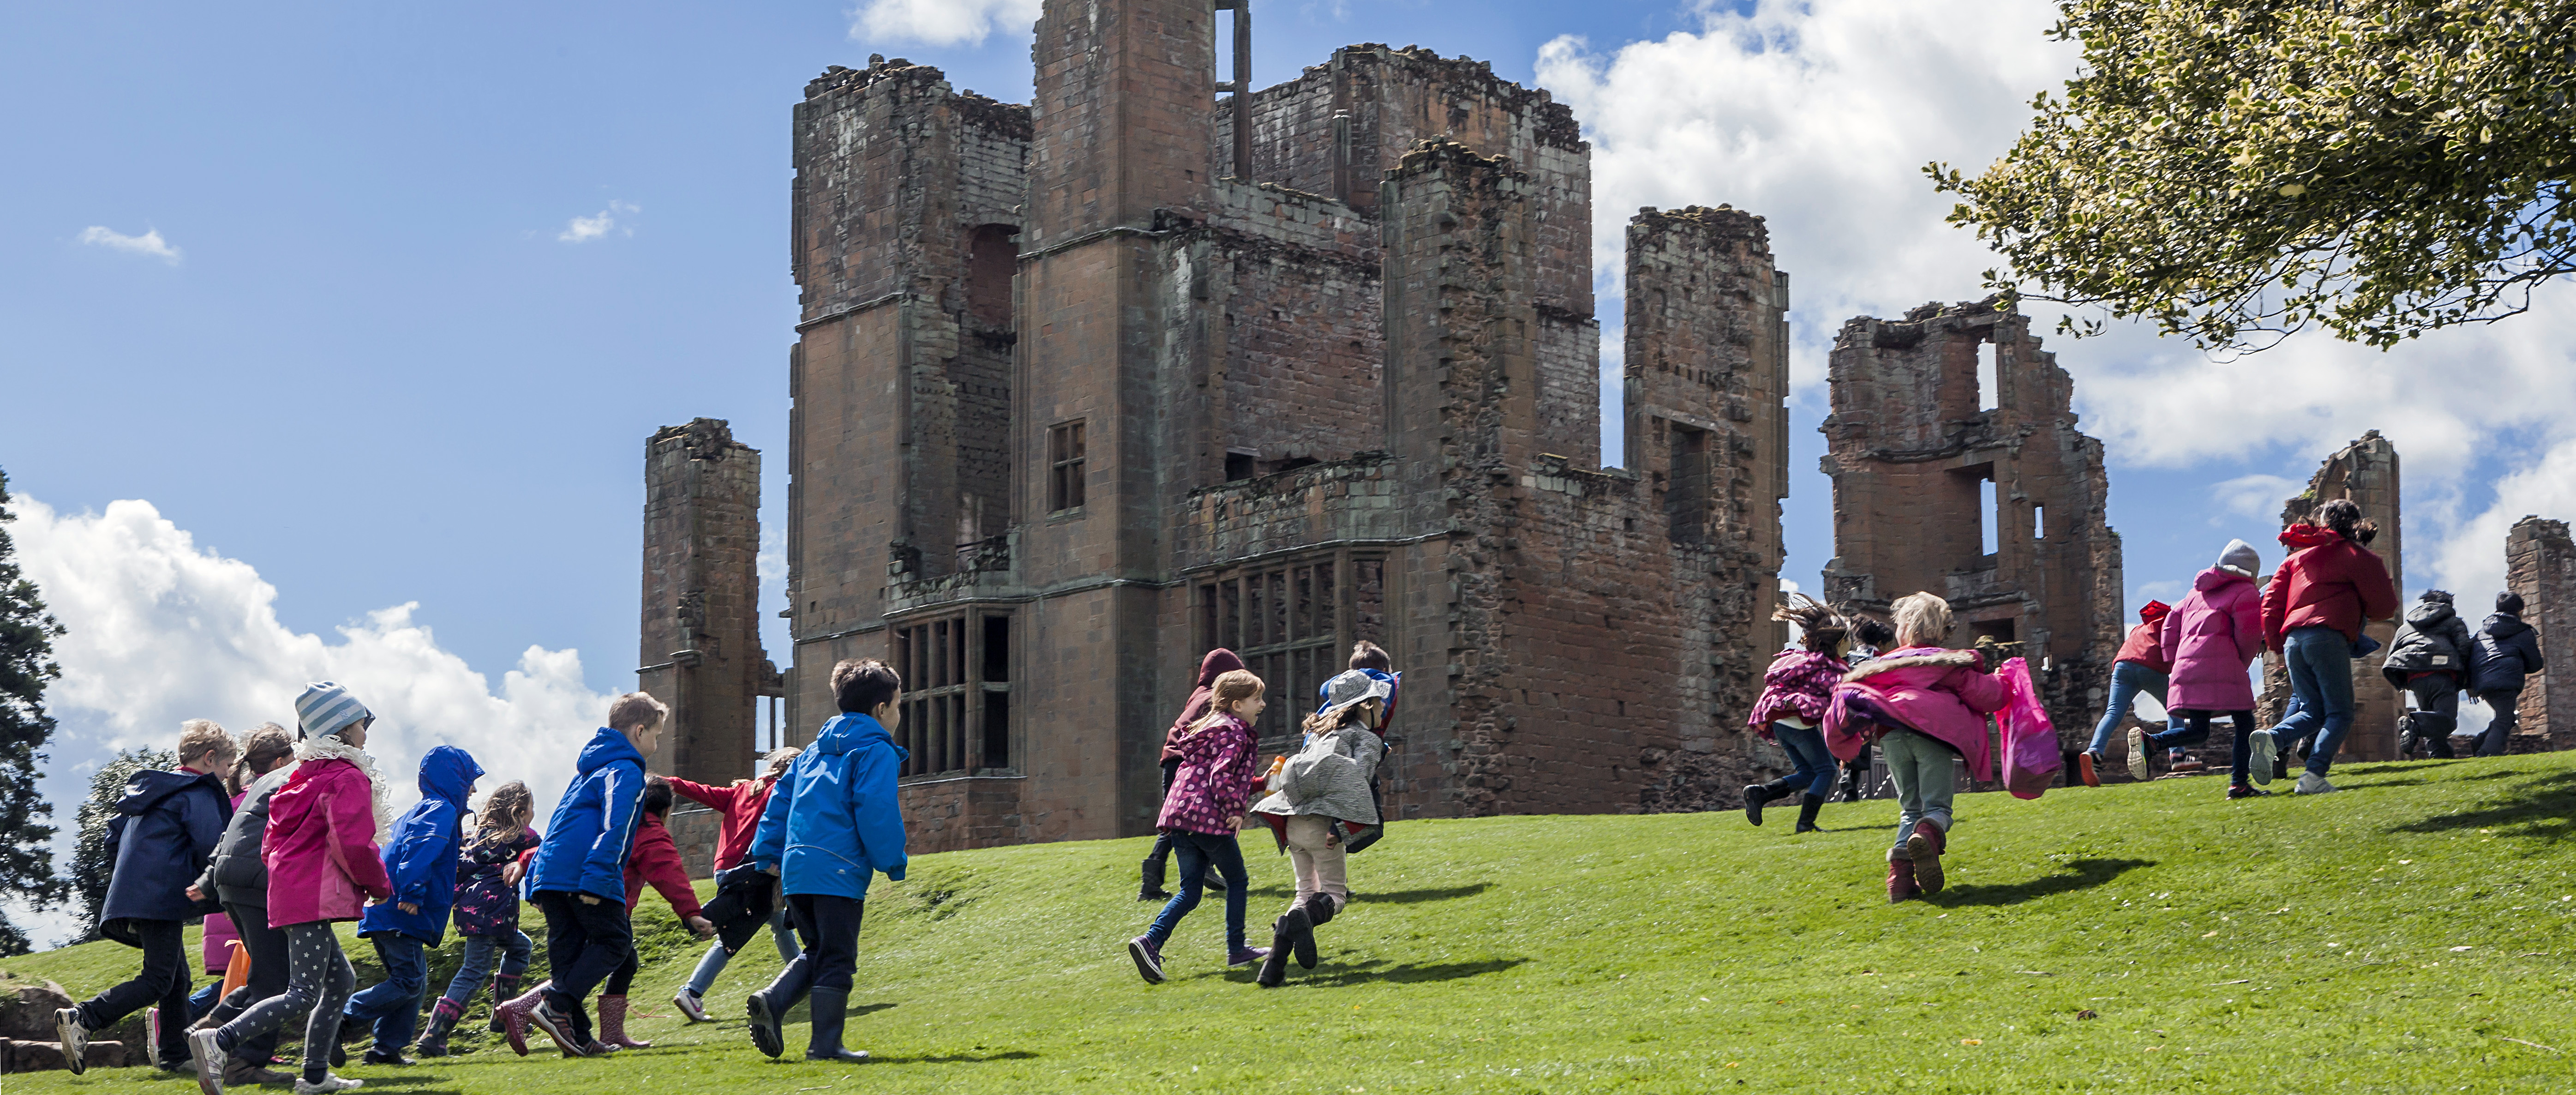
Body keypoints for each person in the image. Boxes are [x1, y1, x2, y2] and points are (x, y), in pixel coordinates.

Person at [189, 683, 390, 1095]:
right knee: (301, 992)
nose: (365, 732)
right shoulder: (346, 776)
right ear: (342, 729)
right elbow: (353, 843)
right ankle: (219, 1041)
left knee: (341, 980)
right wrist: (378, 884)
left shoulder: (302, 775)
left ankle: (314, 1077)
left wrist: (288, 880)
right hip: (309, 897)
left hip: (292, 892)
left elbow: (271, 839)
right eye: (361, 724)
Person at [743, 659, 909, 1064]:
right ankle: (825, 1045)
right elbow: (875, 809)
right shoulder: (876, 751)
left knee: (820, 949)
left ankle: (773, 1000)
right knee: (837, 958)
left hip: (797, 870)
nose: (899, 714)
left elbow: (779, 805)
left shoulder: (812, 753)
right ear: (881, 709)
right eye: (899, 705)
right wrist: (892, 860)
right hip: (838, 869)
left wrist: (768, 853)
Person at [59, 720, 234, 1077]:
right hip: (161, 895)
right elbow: (211, 845)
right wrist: (223, 886)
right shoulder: (198, 791)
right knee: (159, 978)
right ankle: (85, 1017)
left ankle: (174, 1055)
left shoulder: (151, 791)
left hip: (139, 892)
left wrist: (137, 875)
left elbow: (112, 838)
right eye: (227, 765)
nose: (228, 774)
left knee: (177, 978)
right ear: (210, 758)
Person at [499, 692, 665, 1058]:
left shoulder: (589, 771)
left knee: (569, 957)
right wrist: (597, 878)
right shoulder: (626, 771)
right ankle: (555, 1006)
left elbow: (559, 825)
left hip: (553, 875)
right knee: (615, 943)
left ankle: (578, 1037)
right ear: (639, 732)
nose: (656, 744)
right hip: (584, 874)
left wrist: (537, 880)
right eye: (656, 735)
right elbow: (615, 826)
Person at [1826, 593, 2009, 903]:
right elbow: (1987, 696)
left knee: (1910, 808)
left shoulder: (1883, 665)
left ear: (1904, 628)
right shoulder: (1947, 663)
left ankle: (1900, 881)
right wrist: (2004, 680)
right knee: (1937, 808)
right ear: (1941, 630)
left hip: (1892, 737)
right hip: (1932, 734)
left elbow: (1854, 693)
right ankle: (1928, 836)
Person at [341, 745, 483, 1065]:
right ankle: (340, 1018)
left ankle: (386, 1049)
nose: (474, 790)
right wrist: (413, 893)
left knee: (413, 983)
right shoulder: (441, 809)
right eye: (470, 780)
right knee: (409, 982)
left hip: (386, 910)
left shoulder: (421, 810)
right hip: (402, 909)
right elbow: (420, 849)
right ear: (455, 780)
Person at [2249, 499, 2400, 794]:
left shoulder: (2295, 560)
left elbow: (2270, 606)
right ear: (2355, 524)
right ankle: (2313, 776)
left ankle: (2273, 739)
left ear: (2322, 523)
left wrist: (2277, 649)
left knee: (2312, 710)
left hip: (2293, 641)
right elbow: (2384, 607)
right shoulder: (2359, 556)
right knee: (2340, 713)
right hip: (2328, 637)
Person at [1128, 669, 1266, 984]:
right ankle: (1237, 949)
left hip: (1181, 817)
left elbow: (1208, 773)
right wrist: (1235, 811)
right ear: (1237, 705)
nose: (1262, 704)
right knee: (1238, 880)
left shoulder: (1207, 728)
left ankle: (1150, 942)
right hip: (1208, 819)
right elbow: (1221, 776)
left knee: (1190, 891)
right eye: (1257, 699)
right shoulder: (1235, 731)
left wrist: (1260, 783)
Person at [1250, 671, 1385, 987]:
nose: (1383, 706)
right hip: (1325, 826)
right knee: (1335, 895)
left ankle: (1273, 968)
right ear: (1365, 705)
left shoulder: (1320, 734)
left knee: (1304, 893)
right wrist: (1341, 828)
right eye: (1379, 701)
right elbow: (1358, 781)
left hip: (1292, 821)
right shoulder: (1367, 739)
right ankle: (1308, 918)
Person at [182, 724, 299, 1089]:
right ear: (280, 761)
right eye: (293, 756)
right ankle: (241, 1063)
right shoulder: (285, 783)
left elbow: (227, 837)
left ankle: (210, 1027)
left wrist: (207, 880)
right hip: (258, 885)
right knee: (277, 982)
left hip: (232, 885)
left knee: (265, 974)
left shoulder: (252, 790)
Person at [670, 747, 806, 1022]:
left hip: (725, 872)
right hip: (754, 874)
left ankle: (803, 981)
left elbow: (701, 792)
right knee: (733, 936)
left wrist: (668, 782)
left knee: (779, 924)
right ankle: (692, 992)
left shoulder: (742, 791)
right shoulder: (782, 793)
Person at [2127, 540, 2268, 798]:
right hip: (2223, 665)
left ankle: (2153, 742)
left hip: (2187, 668)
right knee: (2245, 722)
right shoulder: (2246, 592)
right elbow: (2249, 635)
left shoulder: (2195, 593)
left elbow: (2170, 624)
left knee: (2199, 731)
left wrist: (2174, 661)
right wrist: (2241, 664)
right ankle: (2239, 784)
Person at [416, 780, 540, 1057]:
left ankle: (504, 1015)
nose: (534, 813)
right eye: (532, 808)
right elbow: (542, 856)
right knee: (473, 971)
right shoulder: (524, 837)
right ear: (520, 812)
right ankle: (435, 1035)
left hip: (471, 911)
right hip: (493, 914)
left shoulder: (477, 836)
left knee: (521, 947)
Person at [592, 776, 717, 1050]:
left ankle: (609, 1033)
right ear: (666, 811)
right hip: (610, 905)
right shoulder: (649, 830)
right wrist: (692, 913)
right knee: (601, 962)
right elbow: (668, 873)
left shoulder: (616, 820)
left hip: (579, 898)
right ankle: (539, 1005)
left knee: (621, 961)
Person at [1141, 649, 1246, 902]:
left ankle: (1151, 885)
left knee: (1175, 821)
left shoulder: (1198, 696)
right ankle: (1207, 867)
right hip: (1189, 763)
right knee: (1204, 814)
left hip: (1173, 760)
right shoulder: (1214, 699)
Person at [1743, 595, 1852, 833]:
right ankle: (1806, 823)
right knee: (1826, 770)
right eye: (1848, 639)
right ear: (1840, 643)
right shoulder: (1831, 669)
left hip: (1780, 723)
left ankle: (1759, 793)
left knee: (1808, 773)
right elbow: (1841, 700)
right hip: (1798, 724)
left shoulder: (1802, 661)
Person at [2079, 602, 2186, 786]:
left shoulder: (2140, 628)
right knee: (2175, 709)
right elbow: (2172, 651)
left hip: (2122, 666)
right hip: (2150, 666)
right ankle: (2177, 755)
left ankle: (2094, 753)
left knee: (2113, 713)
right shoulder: (2170, 624)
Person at [2384, 590, 2474, 759]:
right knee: (2447, 721)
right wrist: (2467, 680)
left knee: (2432, 720)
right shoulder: (2454, 622)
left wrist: (2404, 680)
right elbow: (2465, 649)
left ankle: (2439, 757)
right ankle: (2414, 724)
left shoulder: (2405, 627)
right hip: (2443, 673)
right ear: (2448, 605)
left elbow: (2392, 654)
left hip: (2415, 677)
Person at [1329, 641, 1401, 852]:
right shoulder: (1381, 687)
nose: (1382, 704)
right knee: (1373, 825)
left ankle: (1337, 835)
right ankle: (1338, 833)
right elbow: (1358, 777)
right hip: (1355, 757)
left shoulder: (1339, 691)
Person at [2467, 591, 2546, 756]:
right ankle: (2487, 752)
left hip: (2481, 681)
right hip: (2506, 681)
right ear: (2520, 611)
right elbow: (2536, 664)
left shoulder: (2481, 632)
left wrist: (2469, 685)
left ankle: (2479, 742)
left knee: (2506, 717)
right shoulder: (2523, 631)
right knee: (2504, 720)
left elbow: (2469, 656)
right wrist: (2519, 666)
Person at [1837, 617, 1897, 802]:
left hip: (1842, 705)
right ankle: (1848, 785)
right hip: (1864, 708)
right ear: (1880, 643)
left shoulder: (1851, 656)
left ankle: (1849, 789)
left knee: (1849, 744)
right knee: (1860, 747)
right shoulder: (1881, 659)